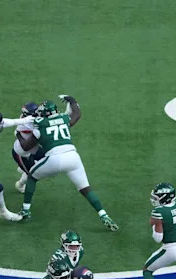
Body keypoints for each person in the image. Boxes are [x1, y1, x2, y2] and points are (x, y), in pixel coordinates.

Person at [16, 97, 118, 231]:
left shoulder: (40, 123)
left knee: (32, 177)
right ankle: (103, 215)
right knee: (85, 188)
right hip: (73, 157)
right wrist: (73, 101)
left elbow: (25, 146)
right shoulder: (64, 118)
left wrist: (18, 134)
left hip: (54, 159)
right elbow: (77, 114)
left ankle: (25, 210)